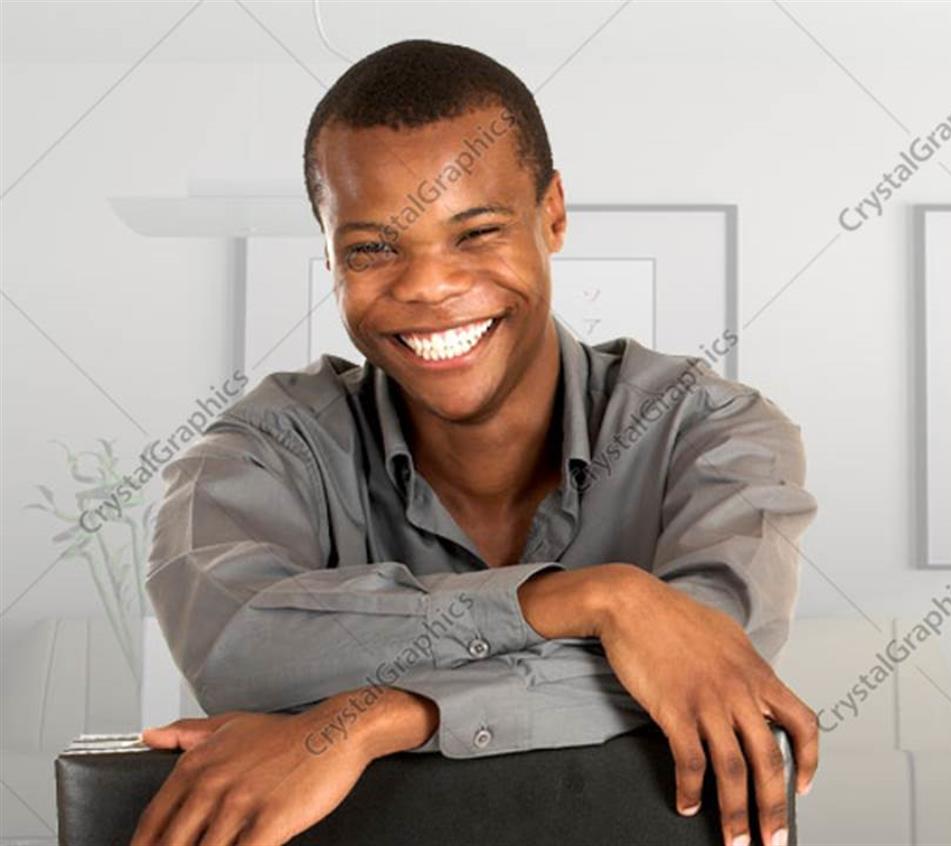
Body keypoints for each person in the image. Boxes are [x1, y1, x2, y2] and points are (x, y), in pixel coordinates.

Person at [135, 39, 818, 846]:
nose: (427, 286)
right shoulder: (264, 446)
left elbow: (709, 666)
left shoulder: (713, 433)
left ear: (552, 215)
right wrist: (591, 599)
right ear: (327, 253)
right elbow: (238, 647)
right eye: (371, 248)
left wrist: (381, 717)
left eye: (477, 232)